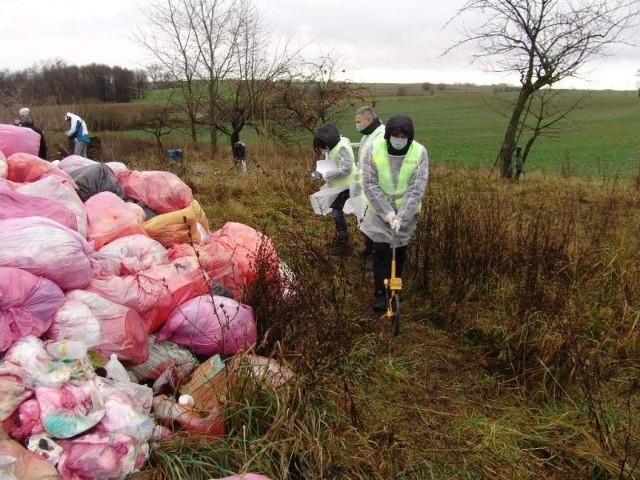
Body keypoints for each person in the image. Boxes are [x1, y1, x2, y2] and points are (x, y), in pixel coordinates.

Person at [360, 115, 429, 312]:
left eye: (403, 135)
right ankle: (381, 293)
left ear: (410, 136)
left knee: (399, 251)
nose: (399, 138)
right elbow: (370, 184)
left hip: (406, 212)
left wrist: (402, 216)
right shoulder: (374, 149)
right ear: (388, 135)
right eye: (395, 135)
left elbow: (417, 187)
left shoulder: (419, 152)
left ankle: (394, 288)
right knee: (381, 251)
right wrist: (388, 214)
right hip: (380, 210)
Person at [311, 122, 355, 252]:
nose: (322, 148)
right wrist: (320, 171)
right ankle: (340, 238)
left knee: (337, 212)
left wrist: (326, 173)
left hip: (347, 185)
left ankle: (344, 241)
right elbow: (335, 163)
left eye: (321, 145)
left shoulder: (341, 147)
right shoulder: (335, 146)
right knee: (336, 212)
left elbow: (346, 169)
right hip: (339, 186)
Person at [350, 106, 385, 257]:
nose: (356, 125)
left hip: (377, 187)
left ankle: (378, 254)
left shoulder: (381, 136)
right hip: (365, 185)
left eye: (358, 122)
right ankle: (369, 247)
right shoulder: (367, 136)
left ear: (368, 120)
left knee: (376, 221)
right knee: (365, 217)